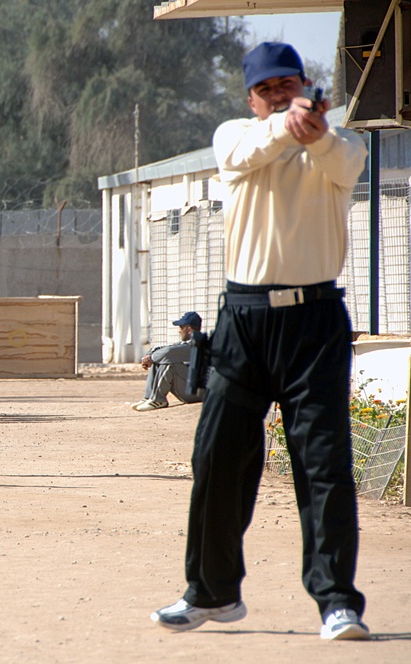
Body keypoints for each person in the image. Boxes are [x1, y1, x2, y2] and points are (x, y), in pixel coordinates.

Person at [150, 43, 370, 640]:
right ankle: (211, 593)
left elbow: (342, 161)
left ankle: (336, 601)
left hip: (314, 320)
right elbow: (252, 149)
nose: (278, 95)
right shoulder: (233, 137)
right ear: (251, 98)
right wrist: (287, 126)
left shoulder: (341, 142)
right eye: (266, 89)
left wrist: (315, 133)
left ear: (305, 84)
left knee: (323, 462)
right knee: (218, 456)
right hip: (245, 321)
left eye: (288, 85)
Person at [132, 312, 203, 412]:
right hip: (190, 389)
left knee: (170, 363)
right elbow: (164, 349)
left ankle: (158, 400)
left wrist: (150, 358)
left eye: (181, 327)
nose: (179, 331)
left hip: (198, 393)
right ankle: (149, 397)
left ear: (189, 329)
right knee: (161, 359)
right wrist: (149, 356)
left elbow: (168, 352)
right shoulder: (186, 343)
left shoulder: (197, 345)